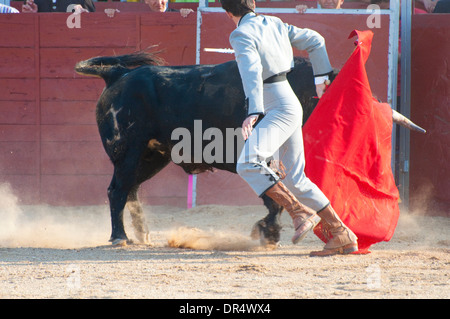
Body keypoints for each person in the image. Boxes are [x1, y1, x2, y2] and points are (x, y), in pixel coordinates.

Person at [220, 0, 358, 256]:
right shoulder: (275, 23)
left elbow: (251, 70)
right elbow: (315, 40)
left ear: (228, 13)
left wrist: (253, 110)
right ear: (253, 4)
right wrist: (321, 78)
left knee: (248, 163)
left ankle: (299, 212)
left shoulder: (240, 33)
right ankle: (342, 234)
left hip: (277, 106)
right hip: (290, 102)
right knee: (296, 178)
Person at [22, 0, 95, 13]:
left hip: (73, 45)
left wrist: (84, 15)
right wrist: (30, 15)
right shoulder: (32, 1)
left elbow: (93, 24)